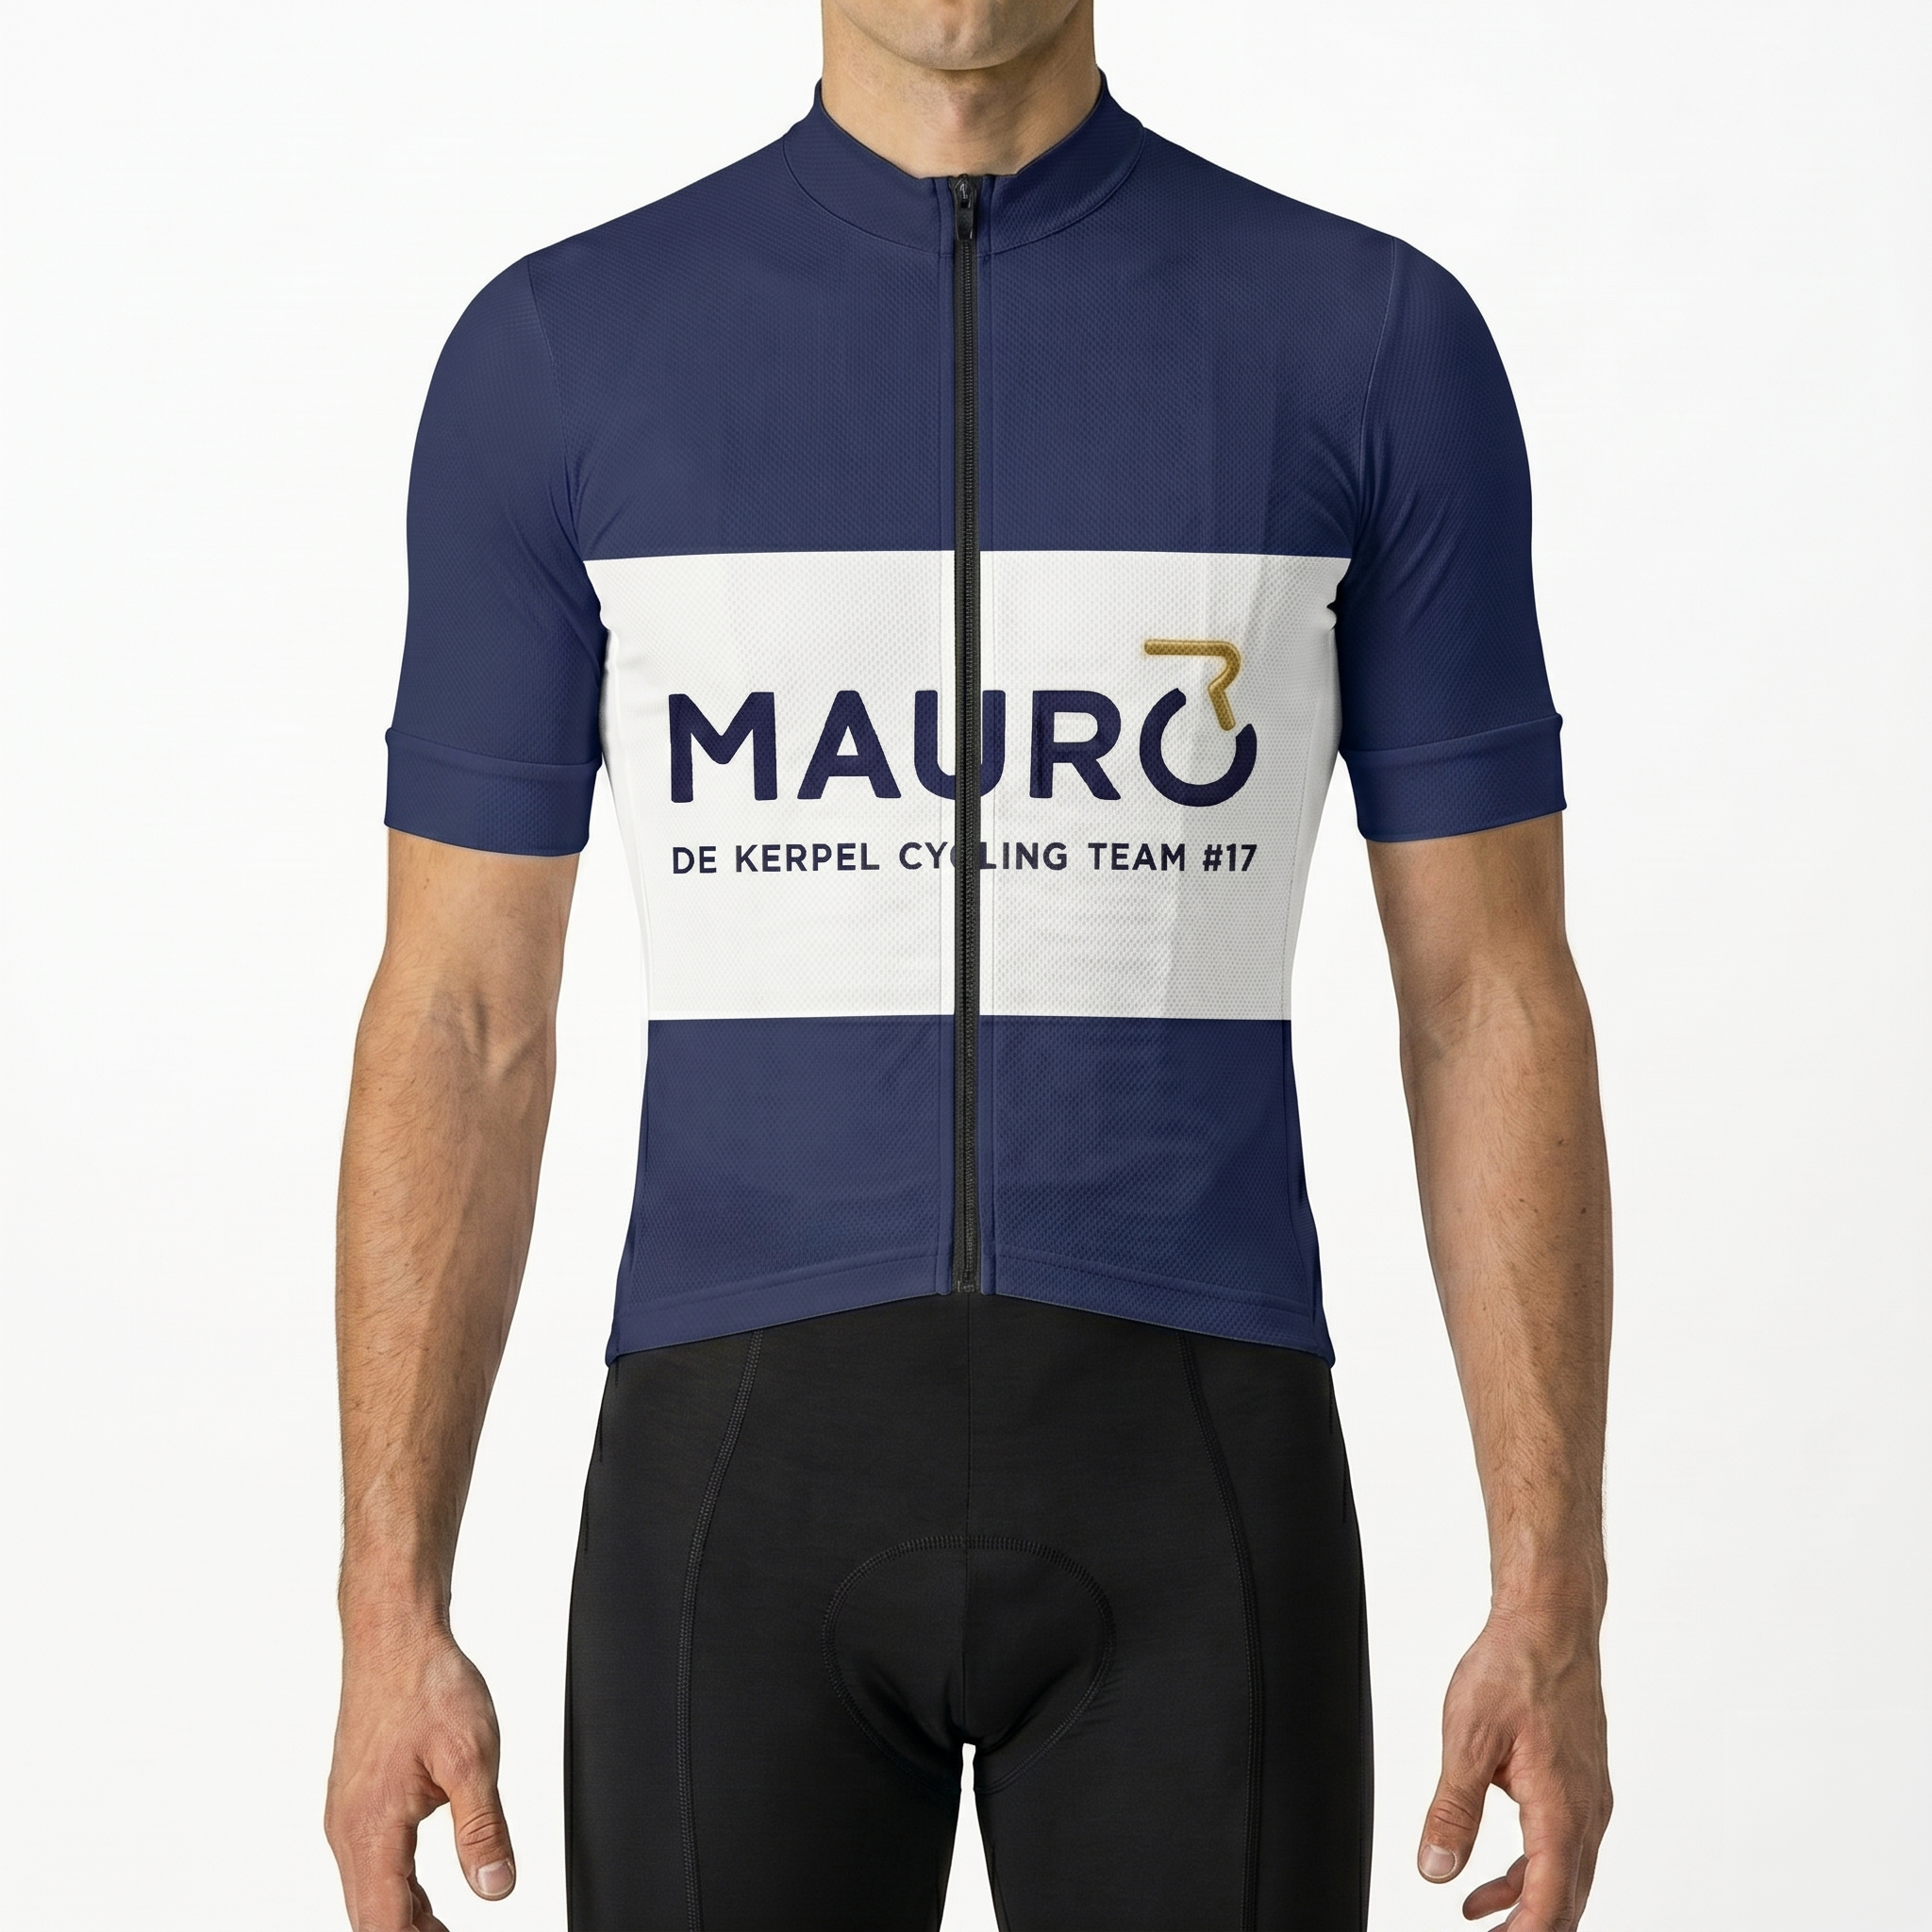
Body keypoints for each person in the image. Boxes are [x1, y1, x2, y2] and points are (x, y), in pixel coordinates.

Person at [324, 3, 1613, 1926]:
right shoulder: (563, 356)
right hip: (732, 1499)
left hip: (1196, 1485)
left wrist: (1552, 1590)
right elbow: (462, 1015)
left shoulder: (1366, 343)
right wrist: (388, 1606)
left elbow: (1487, 993)